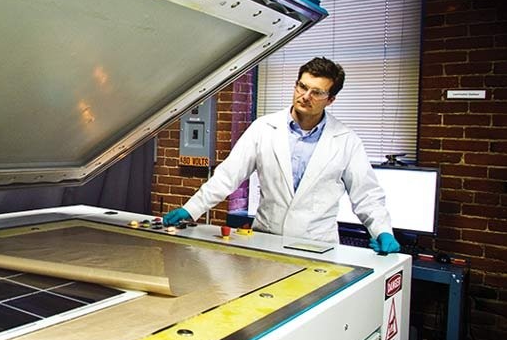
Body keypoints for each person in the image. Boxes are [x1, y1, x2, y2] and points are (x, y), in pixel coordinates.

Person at [163, 57, 400, 254]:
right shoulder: (263, 128)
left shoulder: (346, 140)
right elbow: (228, 175)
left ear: (331, 99)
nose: (305, 96)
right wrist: (192, 208)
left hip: (317, 247)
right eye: (302, 87)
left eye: (317, 92)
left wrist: (382, 231)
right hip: (266, 240)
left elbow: (366, 194)